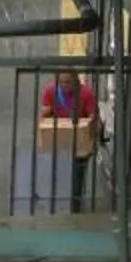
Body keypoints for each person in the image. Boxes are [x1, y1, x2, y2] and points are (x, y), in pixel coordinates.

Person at [39, 64, 99, 208]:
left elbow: (94, 118)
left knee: (77, 174)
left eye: (68, 82)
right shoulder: (50, 91)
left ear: (76, 81)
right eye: (61, 82)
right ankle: (60, 200)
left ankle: (75, 204)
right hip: (58, 138)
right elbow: (43, 115)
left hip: (80, 141)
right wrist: (47, 111)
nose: (65, 86)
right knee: (58, 173)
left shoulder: (86, 94)